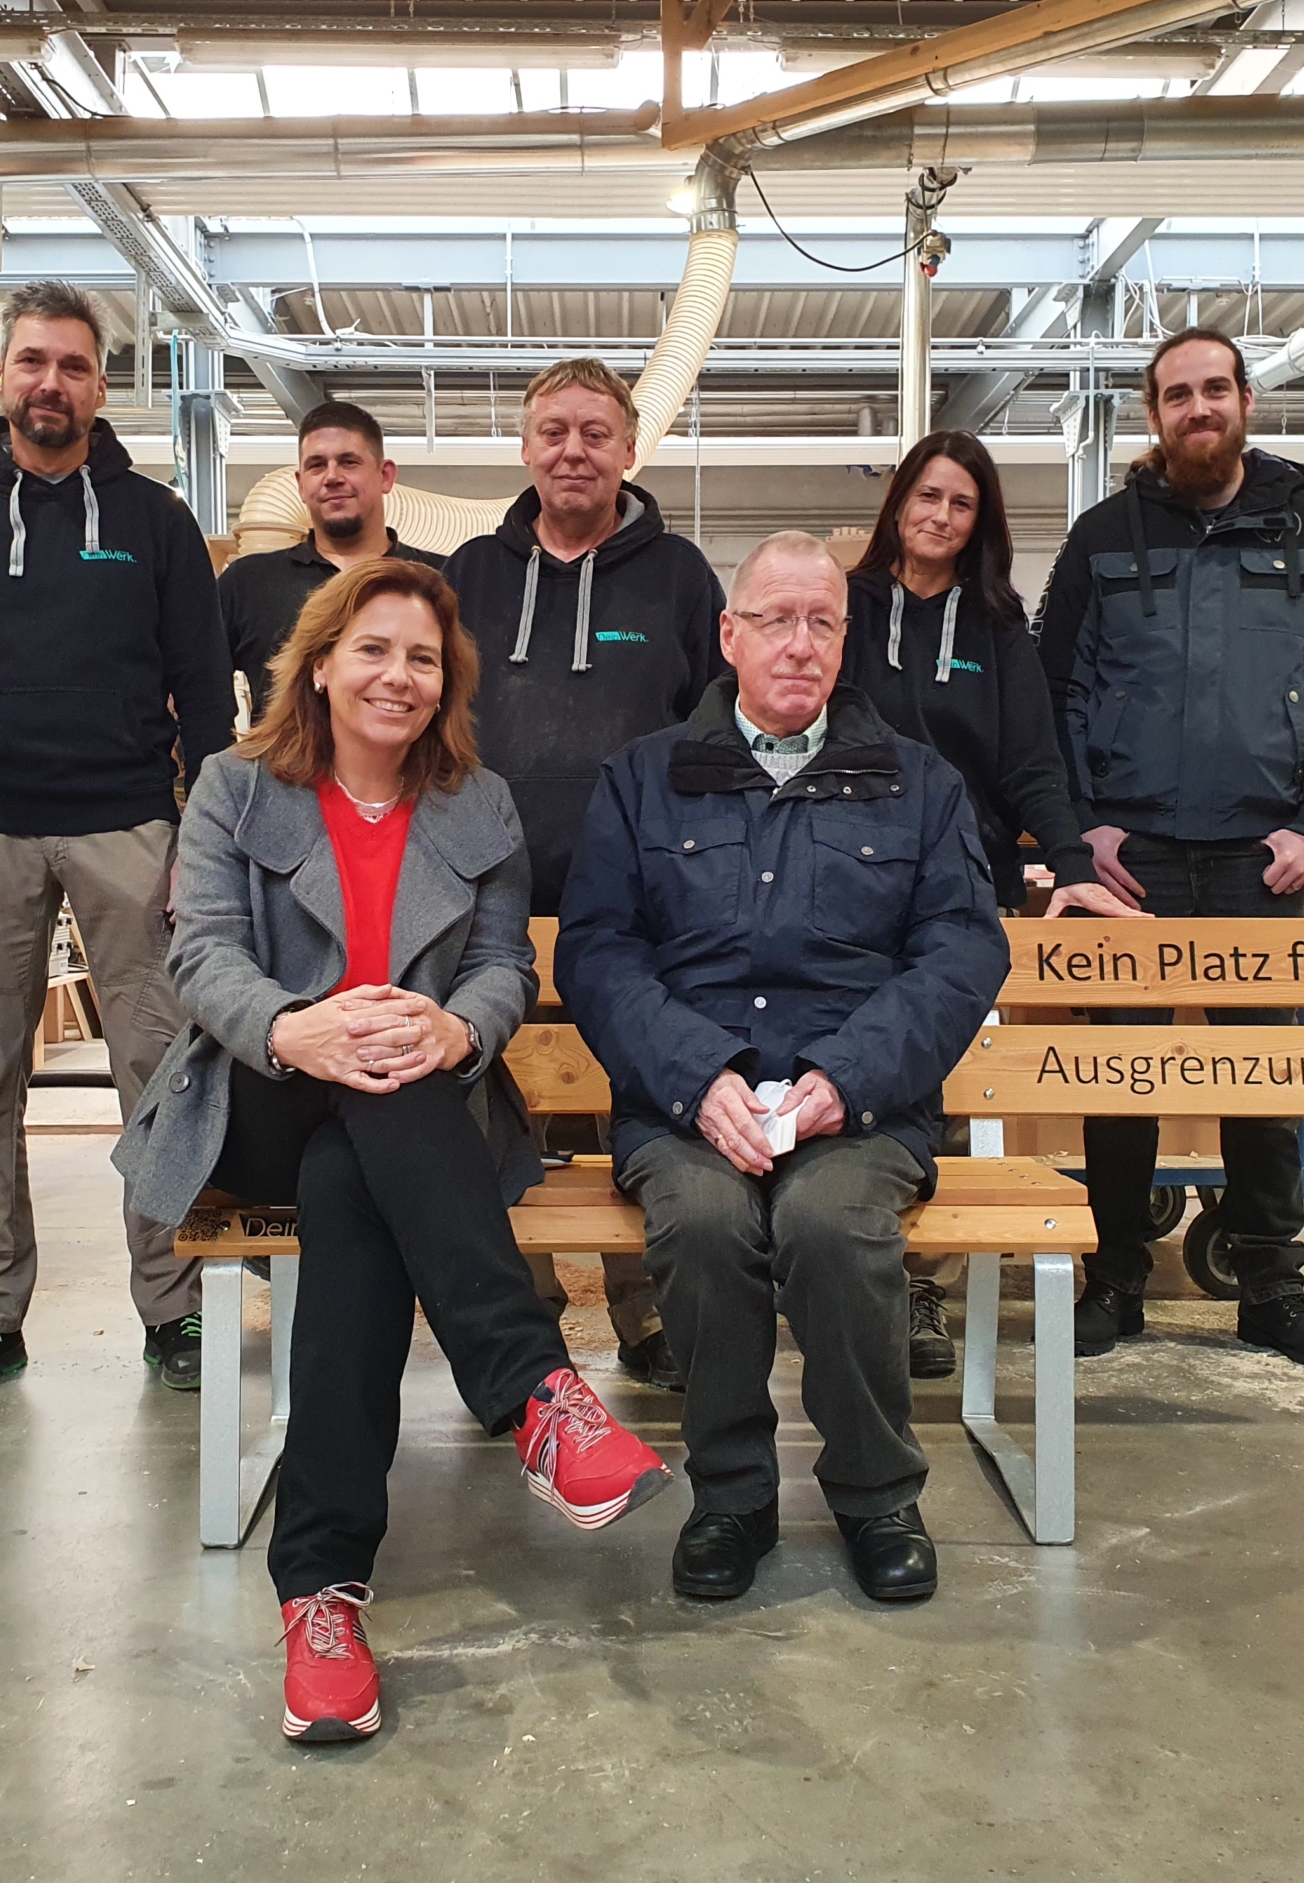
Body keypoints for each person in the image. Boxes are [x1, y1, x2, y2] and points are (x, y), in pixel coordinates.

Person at [116, 557, 671, 1745]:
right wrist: (297, 1025)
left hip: (418, 1107)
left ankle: (319, 1596)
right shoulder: (232, 788)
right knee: (356, 1096)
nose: (397, 675)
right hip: (265, 1091)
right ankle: (535, 1395)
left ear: (445, 682)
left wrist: (455, 1024)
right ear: (318, 665)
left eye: (422, 657)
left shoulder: (480, 801)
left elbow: (501, 968)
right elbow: (201, 955)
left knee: (363, 1155)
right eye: (373, 649)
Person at [558, 531, 1009, 1605]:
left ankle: (874, 1496)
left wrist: (847, 1078)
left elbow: (962, 949)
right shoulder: (642, 779)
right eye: (775, 619)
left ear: (845, 643)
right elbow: (597, 948)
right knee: (705, 1224)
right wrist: (693, 1075)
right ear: (730, 635)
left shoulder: (919, 784)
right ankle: (731, 1497)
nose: (798, 644)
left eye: (822, 622)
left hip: (857, 1105)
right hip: (685, 1107)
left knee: (830, 1222)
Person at [0, 279, 234, 1407]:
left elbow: (205, 698)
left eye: (73, 366)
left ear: (100, 385)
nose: (50, 383)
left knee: (160, 1080)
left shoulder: (156, 524)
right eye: (32, 362)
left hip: (130, 827)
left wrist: (197, 843)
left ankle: (174, 1308)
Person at [1033, 326, 1304, 1372]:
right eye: (1178, 394)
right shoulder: (1102, 536)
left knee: (1267, 1075)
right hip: (1130, 857)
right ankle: (1116, 1284)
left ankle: (1273, 1290)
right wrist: (1086, 826)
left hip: (1256, 854)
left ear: (1244, 401)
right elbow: (1051, 689)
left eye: (1215, 389)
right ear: (1153, 416)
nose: (1199, 408)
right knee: (1120, 1074)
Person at [444, 358, 726, 1393]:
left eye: (594, 433)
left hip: (640, 901)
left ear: (627, 448)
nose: (573, 450)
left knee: (635, 1107)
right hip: (486, 901)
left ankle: (646, 1309)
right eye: (553, 431)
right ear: (526, 447)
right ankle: (525, 1329)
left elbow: (713, 738)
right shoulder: (469, 574)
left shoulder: (681, 578)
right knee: (497, 1111)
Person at [843, 429, 1147, 1380]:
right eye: (926, 496)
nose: (938, 516)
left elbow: (1030, 766)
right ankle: (840, 1265)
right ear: (898, 501)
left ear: (982, 523)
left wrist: (1069, 858)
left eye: (960, 504)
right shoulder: (842, 610)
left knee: (935, 1089)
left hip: (955, 886)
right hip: (841, 877)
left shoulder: (997, 632)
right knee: (846, 1073)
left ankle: (916, 1285)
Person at [217, 399, 445, 720]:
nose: (332, 476)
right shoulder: (246, 583)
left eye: (349, 462)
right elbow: (199, 687)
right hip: (281, 770)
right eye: (316, 465)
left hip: (412, 771)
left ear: (385, 476)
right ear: (300, 484)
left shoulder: (440, 581)